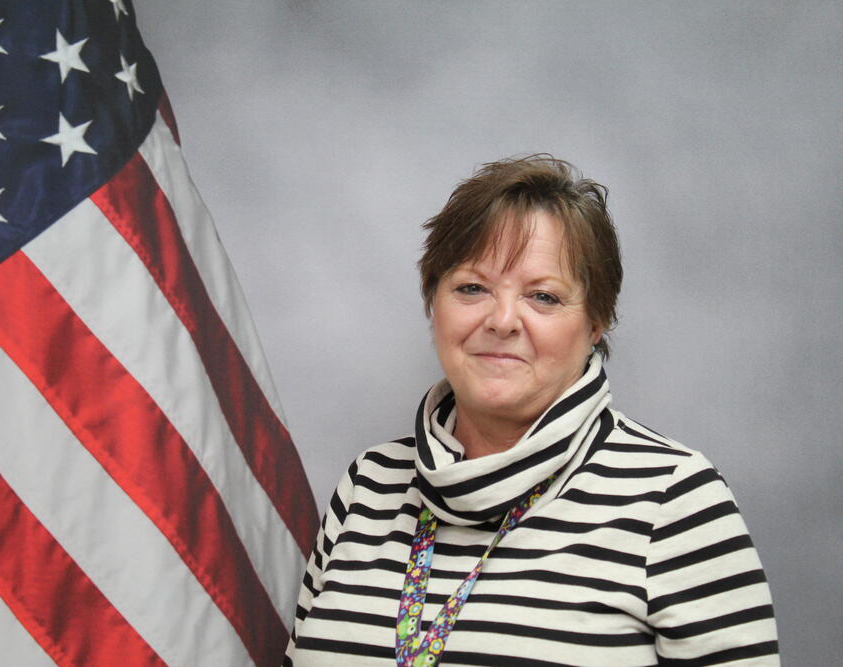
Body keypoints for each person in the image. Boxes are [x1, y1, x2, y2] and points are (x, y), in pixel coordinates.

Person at [284, 155, 778, 666]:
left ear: (596, 322)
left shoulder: (673, 499)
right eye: (472, 288)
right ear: (434, 301)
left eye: (543, 296)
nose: (502, 320)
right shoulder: (368, 486)